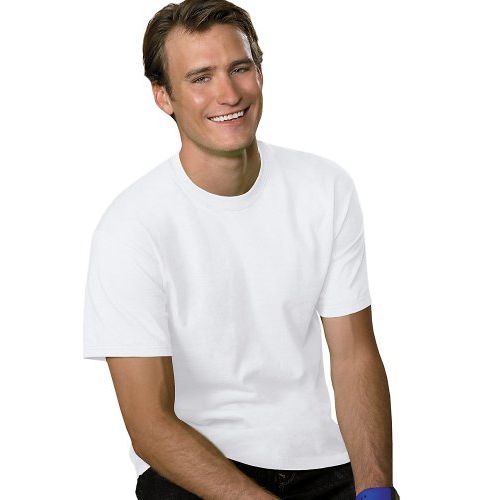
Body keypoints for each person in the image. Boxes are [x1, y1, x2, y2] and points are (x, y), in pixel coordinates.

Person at [83, 1, 399, 498]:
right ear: (163, 96)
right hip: (192, 474)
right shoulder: (130, 228)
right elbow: (148, 424)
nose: (228, 93)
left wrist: (376, 491)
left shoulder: (325, 189)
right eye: (201, 77)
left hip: (322, 464)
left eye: (239, 68)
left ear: (260, 72)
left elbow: (354, 354)